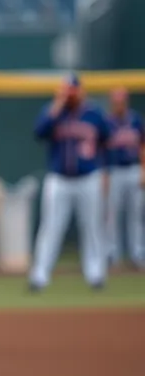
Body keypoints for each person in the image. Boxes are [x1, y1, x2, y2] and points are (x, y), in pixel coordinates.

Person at [27, 73, 111, 292]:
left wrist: (104, 173)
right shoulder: (54, 112)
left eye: (73, 93)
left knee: (92, 226)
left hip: (88, 177)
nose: (70, 97)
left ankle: (95, 274)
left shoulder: (94, 114)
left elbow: (107, 141)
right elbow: (39, 132)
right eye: (67, 93)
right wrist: (57, 106)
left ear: (81, 93)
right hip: (59, 178)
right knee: (51, 227)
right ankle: (40, 276)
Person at [102, 86, 144, 270]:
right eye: (116, 102)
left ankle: (138, 254)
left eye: (122, 101)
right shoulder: (107, 122)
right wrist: (104, 174)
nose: (119, 105)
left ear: (126, 102)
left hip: (133, 169)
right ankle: (113, 254)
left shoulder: (135, 120)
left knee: (137, 214)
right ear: (112, 103)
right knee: (112, 215)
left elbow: (142, 145)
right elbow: (101, 150)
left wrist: (143, 170)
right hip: (114, 171)